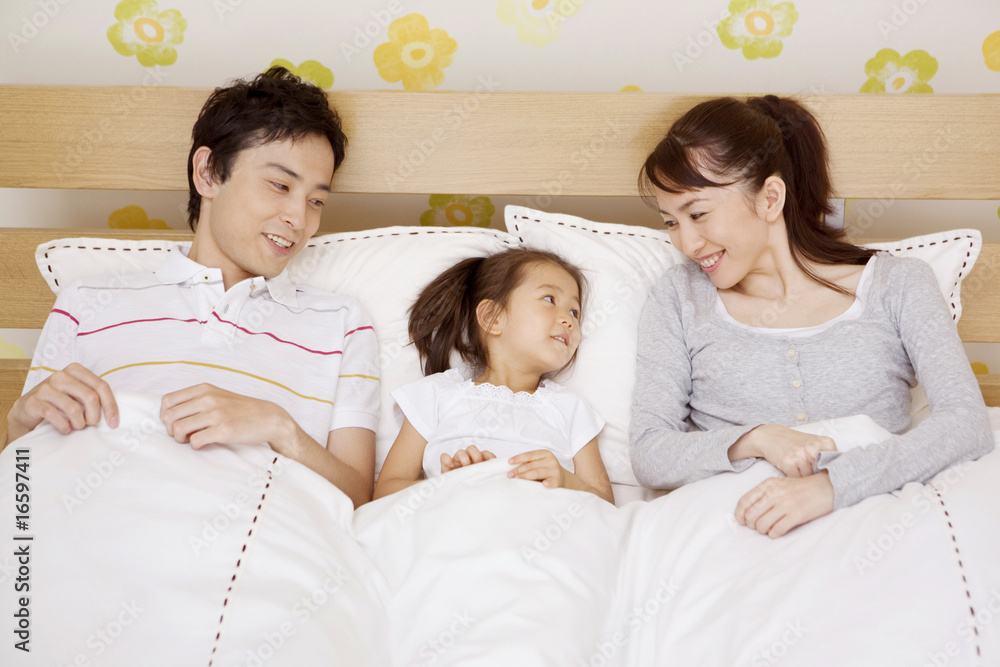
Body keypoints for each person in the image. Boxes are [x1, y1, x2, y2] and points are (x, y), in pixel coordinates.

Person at [3, 67, 379, 507]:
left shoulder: (341, 323)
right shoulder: (87, 301)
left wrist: (280, 428)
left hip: (259, 538)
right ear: (209, 173)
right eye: (280, 185)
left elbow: (359, 500)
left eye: (316, 201)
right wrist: (18, 425)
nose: (300, 219)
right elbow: (23, 492)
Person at [629, 94, 993, 537]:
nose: (687, 243)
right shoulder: (679, 297)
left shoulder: (898, 284)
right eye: (670, 222)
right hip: (736, 534)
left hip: (877, 531)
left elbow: (967, 424)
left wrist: (832, 486)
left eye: (698, 214)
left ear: (770, 198)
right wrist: (758, 438)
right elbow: (650, 452)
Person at [374, 248, 614, 504]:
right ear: (492, 317)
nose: (569, 320)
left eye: (575, 312)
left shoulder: (572, 409)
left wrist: (567, 481)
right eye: (549, 299)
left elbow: (606, 505)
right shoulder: (434, 395)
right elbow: (384, 493)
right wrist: (452, 484)